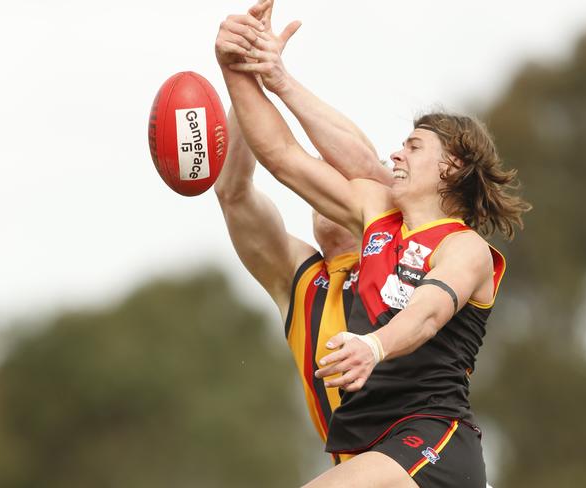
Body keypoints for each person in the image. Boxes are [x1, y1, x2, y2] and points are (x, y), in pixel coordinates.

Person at [215, 2, 531, 487]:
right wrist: (239, 67)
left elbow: (428, 311)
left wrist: (374, 345)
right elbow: (282, 156)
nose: (395, 154)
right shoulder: (379, 218)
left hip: (431, 440)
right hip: (374, 452)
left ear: (452, 167)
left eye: (413, 146)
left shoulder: (464, 247)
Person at [213, 0, 390, 463]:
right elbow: (234, 193)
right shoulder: (305, 285)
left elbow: (368, 165)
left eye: (337, 168)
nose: (325, 173)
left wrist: (277, 77)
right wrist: (244, 81)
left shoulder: (410, 244)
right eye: (321, 168)